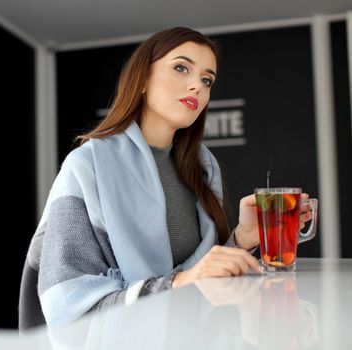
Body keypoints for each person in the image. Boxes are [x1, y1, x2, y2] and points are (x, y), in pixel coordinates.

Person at [19, 26, 313, 330]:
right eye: (181, 68)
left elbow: (197, 279)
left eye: (206, 79)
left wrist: (242, 239)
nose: (196, 86)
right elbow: (67, 301)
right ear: (143, 79)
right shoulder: (86, 165)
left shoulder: (202, 167)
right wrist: (179, 282)